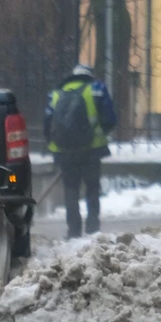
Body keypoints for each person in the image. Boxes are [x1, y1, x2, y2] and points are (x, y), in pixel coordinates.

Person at [44, 64, 117, 239]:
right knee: (92, 188)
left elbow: (47, 123)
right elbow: (110, 118)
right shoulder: (96, 89)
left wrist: (55, 144)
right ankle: (93, 228)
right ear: (89, 75)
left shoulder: (56, 93)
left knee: (71, 190)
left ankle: (73, 230)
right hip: (91, 150)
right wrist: (100, 133)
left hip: (65, 151)